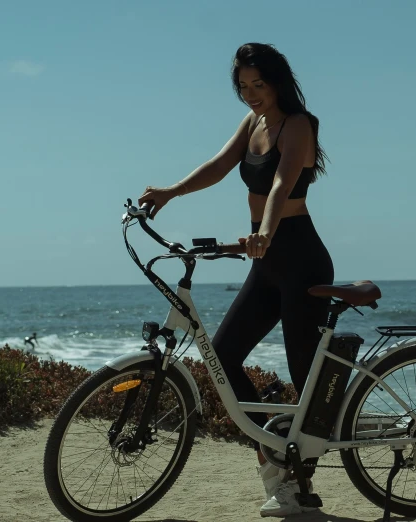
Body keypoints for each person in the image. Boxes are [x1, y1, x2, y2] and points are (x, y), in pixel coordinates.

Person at [139, 43, 333, 517]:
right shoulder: (254, 124)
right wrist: (169, 192)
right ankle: (275, 455)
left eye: (258, 85)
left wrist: (264, 231)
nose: (250, 95)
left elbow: (281, 185)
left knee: (306, 378)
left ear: (277, 82)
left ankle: (294, 478)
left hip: (299, 257)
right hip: (265, 260)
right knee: (223, 356)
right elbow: (219, 165)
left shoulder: (298, 125)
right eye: (243, 87)